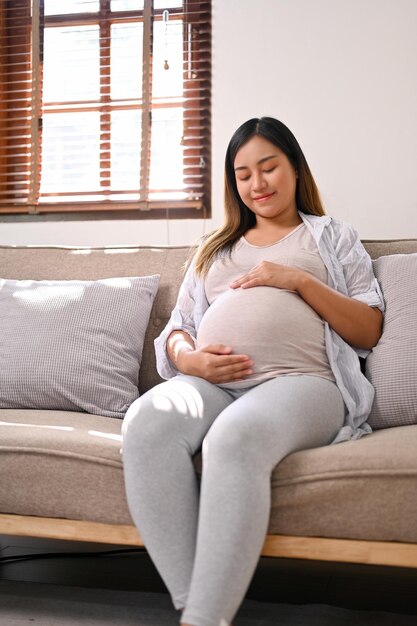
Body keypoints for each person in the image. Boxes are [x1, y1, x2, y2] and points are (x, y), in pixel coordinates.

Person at [122, 116, 384, 626]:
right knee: (147, 423)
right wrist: (187, 359)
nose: (258, 184)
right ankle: (195, 608)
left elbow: (368, 329)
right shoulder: (215, 248)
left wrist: (297, 281)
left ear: (294, 168)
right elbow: (176, 329)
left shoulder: (330, 236)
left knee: (235, 439)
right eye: (244, 174)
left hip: (303, 383)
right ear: (233, 183)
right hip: (211, 386)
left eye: (269, 167)